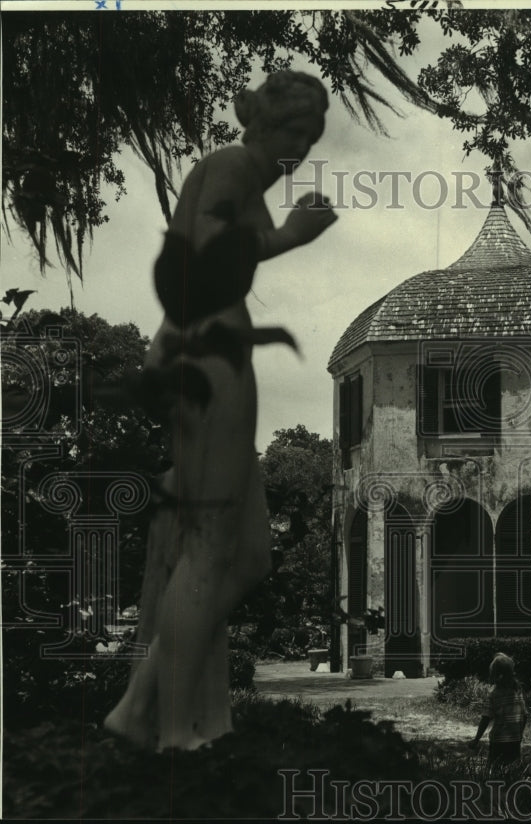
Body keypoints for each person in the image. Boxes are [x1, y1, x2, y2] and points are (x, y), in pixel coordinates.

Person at [104, 71, 337, 751]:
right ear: (262, 124)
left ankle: (139, 704)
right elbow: (203, 263)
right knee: (208, 550)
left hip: (207, 351)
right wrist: (293, 235)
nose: (299, 150)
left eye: (312, 138)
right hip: (208, 355)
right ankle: (176, 731)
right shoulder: (234, 165)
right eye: (295, 132)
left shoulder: (236, 176)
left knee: (250, 556)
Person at [469, 653, 528, 766]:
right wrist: (519, 733)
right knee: (514, 768)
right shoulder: (517, 692)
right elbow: (525, 715)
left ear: (495, 675)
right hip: (515, 740)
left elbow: (486, 718)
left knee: (495, 768)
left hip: (498, 741)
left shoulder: (494, 694)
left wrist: (476, 739)